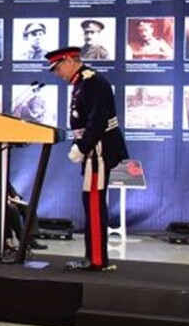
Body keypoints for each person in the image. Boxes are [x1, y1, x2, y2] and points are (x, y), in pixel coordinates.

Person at [46, 46, 128, 272]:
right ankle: (92, 256)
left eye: (58, 67)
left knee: (93, 203)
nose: (56, 73)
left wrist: (82, 146)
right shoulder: (82, 82)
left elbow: (98, 121)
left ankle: (97, 260)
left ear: (71, 61)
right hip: (92, 148)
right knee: (90, 202)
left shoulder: (93, 81)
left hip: (98, 149)